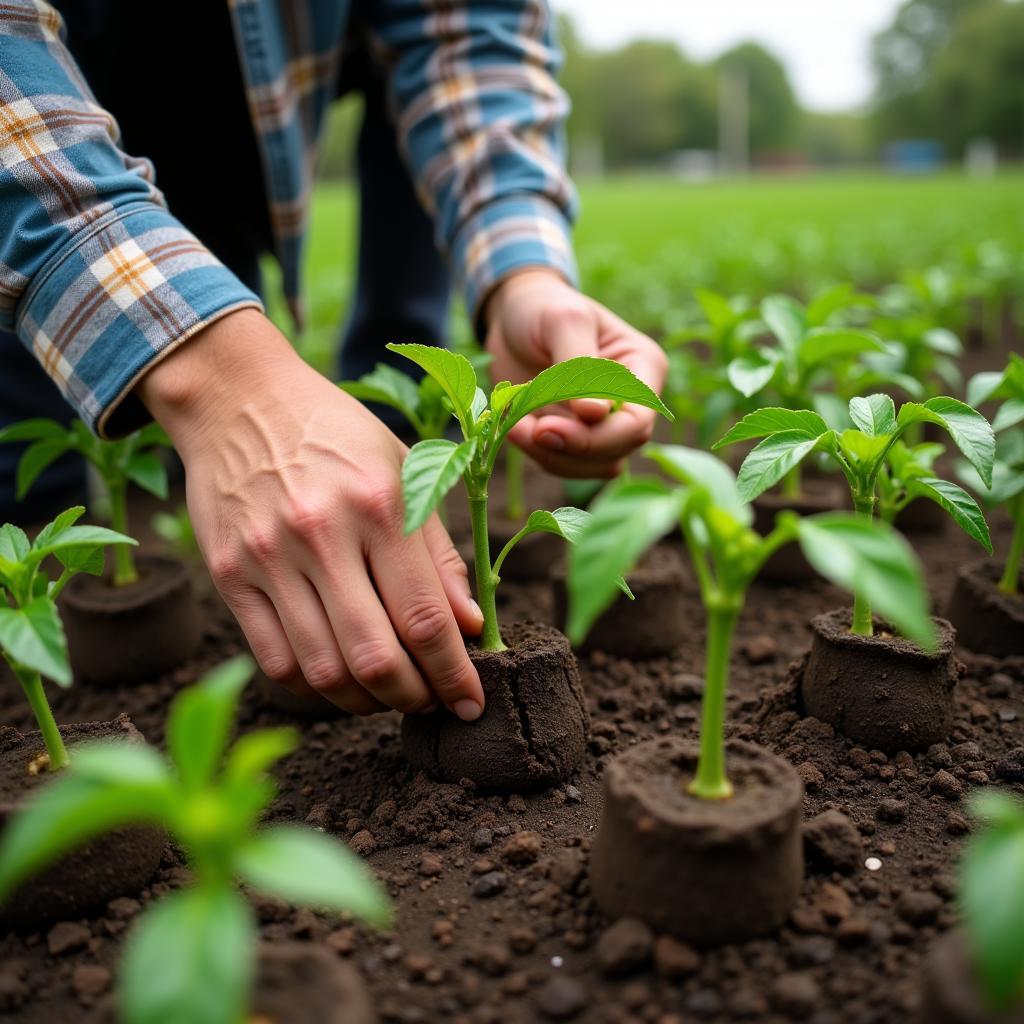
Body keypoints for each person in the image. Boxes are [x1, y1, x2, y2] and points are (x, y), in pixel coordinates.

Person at [0, 0, 667, 721]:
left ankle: (355, 524)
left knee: (291, 448)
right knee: (32, 457)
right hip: (45, 94)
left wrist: (521, 270)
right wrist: (222, 382)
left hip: (263, 81)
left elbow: (464, 23)